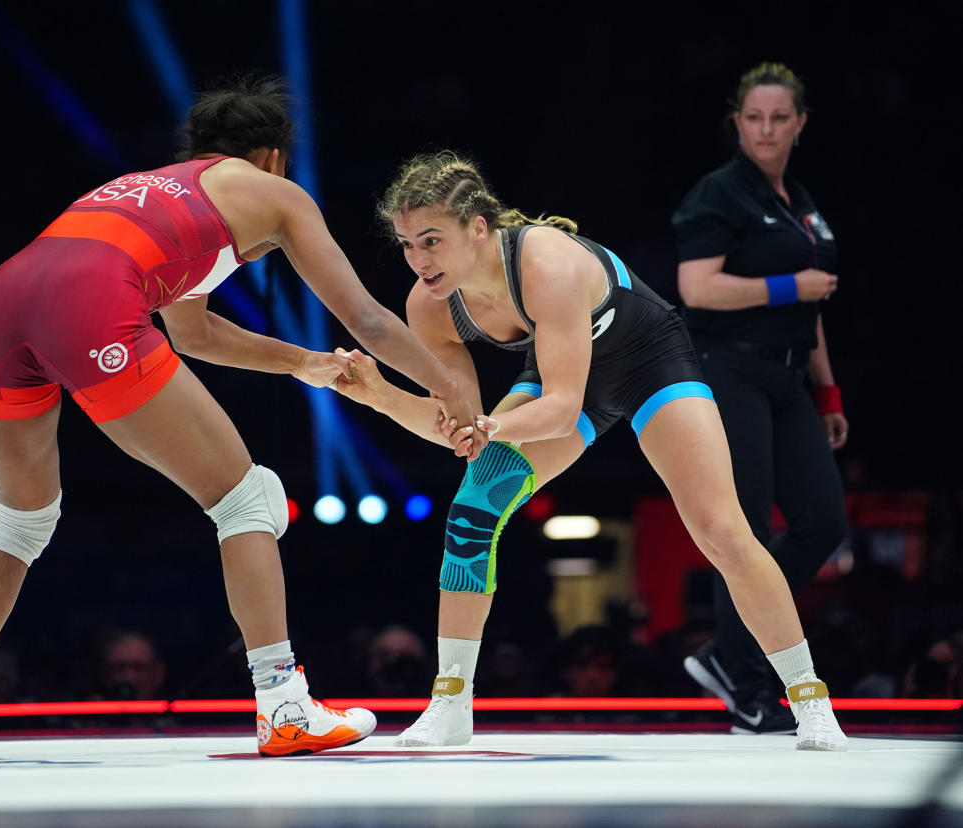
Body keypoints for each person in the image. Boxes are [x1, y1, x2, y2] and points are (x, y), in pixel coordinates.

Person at [0, 74, 484, 761]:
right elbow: (365, 319)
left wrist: (302, 363)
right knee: (247, 499)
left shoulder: (155, 188)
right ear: (274, 156)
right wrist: (454, 392)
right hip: (86, 300)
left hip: (1, 302)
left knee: (22, 519)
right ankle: (283, 704)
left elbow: (195, 333)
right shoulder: (273, 192)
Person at [333, 150, 847, 751]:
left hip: (649, 363)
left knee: (722, 531)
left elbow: (555, 409)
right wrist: (377, 396)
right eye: (406, 245)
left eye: (430, 241)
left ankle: (811, 700)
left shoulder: (546, 262)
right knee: (473, 510)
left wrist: (488, 429)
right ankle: (451, 704)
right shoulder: (428, 306)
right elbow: (458, 423)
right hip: (561, 375)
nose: (418, 261)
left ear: (478, 228)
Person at [671, 62, 849, 736]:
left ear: (800, 123)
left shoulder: (799, 203)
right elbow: (696, 287)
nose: (767, 129)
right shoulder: (719, 195)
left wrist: (827, 388)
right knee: (738, 528)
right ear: (737, 122)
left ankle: (727, 654)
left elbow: (816, 301)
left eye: (780, 117)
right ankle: (748, 688)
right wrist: (785, 289)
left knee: (822, 521)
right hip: (729, 371)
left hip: (788, 376)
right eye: (755, 117)